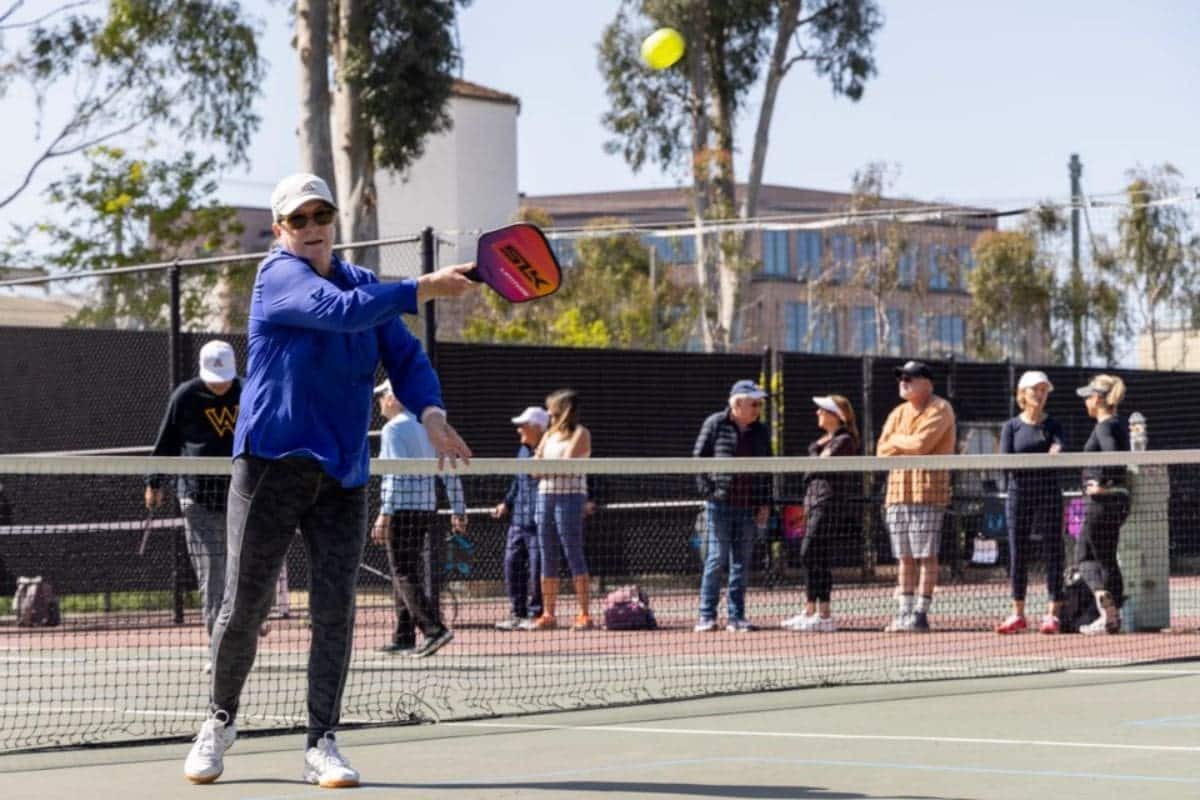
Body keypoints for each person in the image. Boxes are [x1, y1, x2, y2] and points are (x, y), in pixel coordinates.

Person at [183, 172, 474, 788]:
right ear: (281, 229)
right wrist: (421, 286)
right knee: (244, 607)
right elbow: (336, 314)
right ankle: (219, 719)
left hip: (341, 474)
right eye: (300, 220)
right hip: (269, 467)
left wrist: (432, 412)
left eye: (322, 217)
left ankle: (322, 741)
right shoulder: (276, 278)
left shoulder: (366, 285)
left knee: (335, 610)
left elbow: (406, 358)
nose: (313, 229)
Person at [145, 340, 244, 655]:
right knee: (212, 575)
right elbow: (167, 442)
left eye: (225, 378)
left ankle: (245, 631)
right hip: (197, 499)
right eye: (214, 380)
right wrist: (154, 482)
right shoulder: (185, 397)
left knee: (244, 570)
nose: (221, 386)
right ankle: (219, 650)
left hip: (241, 497)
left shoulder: (249, 392)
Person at [370, 380, 465, 657]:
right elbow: (449, 468)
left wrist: (384, 514)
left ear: (392, 399)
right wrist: (458, 508)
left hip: (402, 510)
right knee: (405, 569)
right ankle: (404, 636)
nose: (380, 402)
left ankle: (433, 629)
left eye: (382, 396)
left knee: (402, 571)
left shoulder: (393, 428)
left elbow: (394, 474)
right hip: (426, 509)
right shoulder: (429, 426)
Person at [877, 361, 956, 633]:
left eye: (910, 378)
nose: (904, 382)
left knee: (926, 555)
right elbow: (880, 450)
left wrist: (897, 441)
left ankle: (921, 614)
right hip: (897, 493)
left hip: (928, 493)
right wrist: (904, 443)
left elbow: (922, 445)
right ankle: (904, 612)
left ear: (927, 383)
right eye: (901, 378)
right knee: (905, 557)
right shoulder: (897, 412)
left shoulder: (941, 409)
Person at [693, 379, 773, 633]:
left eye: (759, 404)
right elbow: (698, 459)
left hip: (749, 506)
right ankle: (706, 616)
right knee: (716, 559)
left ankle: (736, 617)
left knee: (742, 562)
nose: (758, 408)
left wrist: (764, 502)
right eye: (754, 403)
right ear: (738, 403)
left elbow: (767, 468)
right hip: (720, 505)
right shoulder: (715, 423)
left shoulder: (761, 431)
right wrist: (710, 492)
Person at [995, 371, 1067, 635]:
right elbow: (1005, 461)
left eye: (1044, 390)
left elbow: (1059, 447)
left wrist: (1055, 452)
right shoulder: (1011, 427)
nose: (1039, 394)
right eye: (1034, 389)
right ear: (1022, 394)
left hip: (1048, 493)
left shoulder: (1054, 425)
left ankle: (1052, 615)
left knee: (1053, 551)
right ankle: (1018, 613)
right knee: (1018, 552)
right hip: (1019, 494)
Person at [782, 395, 859, 633]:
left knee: (811, 552)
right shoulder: (822, 442)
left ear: (837, 415)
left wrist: (814, 456)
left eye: (822, 410)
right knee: (815, 556)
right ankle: (812, 611)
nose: (817, 413)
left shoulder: (844, 440)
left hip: (829, 503)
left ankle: (824, 614)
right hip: (812, 502)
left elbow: (820, 465)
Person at [530, 389, 594, 631]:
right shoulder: (548, 435)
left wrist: (548, 466)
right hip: (545, 496)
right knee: (547, 554)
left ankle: (584, 613)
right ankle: (548, 613)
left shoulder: (581, 433)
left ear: (563, 409)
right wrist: (548, 467)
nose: (548, 412)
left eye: (552, 407)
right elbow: (535, 469)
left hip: (571, 497)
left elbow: (565, 465)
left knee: (573, 552)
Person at [1075, 374, 1130, 635]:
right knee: (1103, 557)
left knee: (1088, 557)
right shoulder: (1117, 424)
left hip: (1103, 502)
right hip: (1115, 502)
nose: (1086, 401)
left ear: (1097, 399)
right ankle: (1112, 614)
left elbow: (1114, 457)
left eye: (1088, 396)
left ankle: (1107, 610)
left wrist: (1103, 483)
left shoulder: (1104, 426)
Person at [491, 406, 548, 631]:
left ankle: (537, 614)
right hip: (518, 521)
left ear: (537, 428)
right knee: (511, 564)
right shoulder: (522, 451)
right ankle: (517, 612)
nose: (519, 430)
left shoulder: (550, 452)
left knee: (537, 570)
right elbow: (517, 483)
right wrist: (506, 502)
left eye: (523, 426)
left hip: (540, 522)